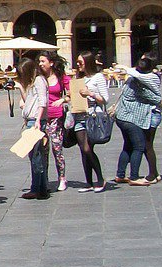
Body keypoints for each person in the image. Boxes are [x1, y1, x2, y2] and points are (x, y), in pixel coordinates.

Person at [110, 55, 162, 185]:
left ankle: (120, 175)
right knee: (139, 146)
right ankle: (134, 177)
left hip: (121, 116)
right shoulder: (139, 84)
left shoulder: (131, 79)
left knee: (128, 146)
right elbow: (156, 99)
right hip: (130, 119)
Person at [72, 51, 108, 192]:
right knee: (83, 150)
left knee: (88, 148)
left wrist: (90, 94)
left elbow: (105, 99)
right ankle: (88, 182)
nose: (78, 65)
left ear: (88, 62)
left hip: (92, 116)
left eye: (81, 62)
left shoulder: (98, 77)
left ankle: (100, 179)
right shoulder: (79, 77)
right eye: (77, 62)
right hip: (79, 116)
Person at [15, 57, 49, 200]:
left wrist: (38, 121)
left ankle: (39, 188)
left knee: (36, 156)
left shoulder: (39, 81)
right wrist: (21, 87)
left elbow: (43, 101)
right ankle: (38, 186)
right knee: (34, 155)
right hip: (31, 121)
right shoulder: (32, 83)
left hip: (35, 122)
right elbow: (28, 100)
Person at [38, 53, 69, 192]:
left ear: (51, 63)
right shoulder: (38, 78)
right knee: (43, 150)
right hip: (43, 117)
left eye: (43, 61)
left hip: (56, 117)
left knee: (57, 148)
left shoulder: (61, 77)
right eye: (39, 61)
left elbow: (71, 93)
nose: (40, 64)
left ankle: (62, 178)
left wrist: (62, 100)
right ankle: (45, 179)